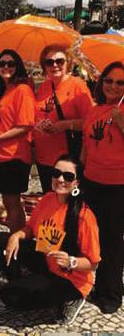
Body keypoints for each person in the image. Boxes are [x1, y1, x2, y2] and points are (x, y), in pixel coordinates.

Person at [0, 155, 100, 325]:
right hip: (47, 261)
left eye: (68, 176)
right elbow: (30, 229)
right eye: (56, 173)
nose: (60, 179)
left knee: (9, 296)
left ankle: (73, 299)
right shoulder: (48, 199)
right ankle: (19, 283)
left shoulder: (84, 216)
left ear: (77, 183)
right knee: (1, 240)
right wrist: (16, 235)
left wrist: (71, 261)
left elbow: (92, 263)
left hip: (70, 279)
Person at [82, 61, 124, 314]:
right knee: (93, 236)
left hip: (117, 184)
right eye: (109, 80)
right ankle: (98, 283)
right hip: (91, 180)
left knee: (112, 240)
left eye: (120, 82)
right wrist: (79, 172)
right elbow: (87, 144)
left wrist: (121, 122)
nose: (113, 86)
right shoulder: (96, 109)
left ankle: (111, 294)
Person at [0, 49, 35, 232]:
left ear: (18, 67)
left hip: (15, 155)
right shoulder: (3, 90)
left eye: (10, 64)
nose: (6, 67)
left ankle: (17, 243)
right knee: (8, 200)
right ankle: (16, 240)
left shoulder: (23, 90)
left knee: (12, 200)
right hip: (0, 154)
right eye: (2, 64)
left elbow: (25, 126)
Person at [34, 44, 93, 193]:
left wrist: (65, 125)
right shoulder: (43, 87)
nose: (55, 65)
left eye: (59, 61)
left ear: (68, 63)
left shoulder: (77, 86)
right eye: (49, 62)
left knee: (67, 203)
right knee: (50, 201)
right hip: (43, 157)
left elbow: (91, 122)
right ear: (44, 66)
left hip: (67, 160)